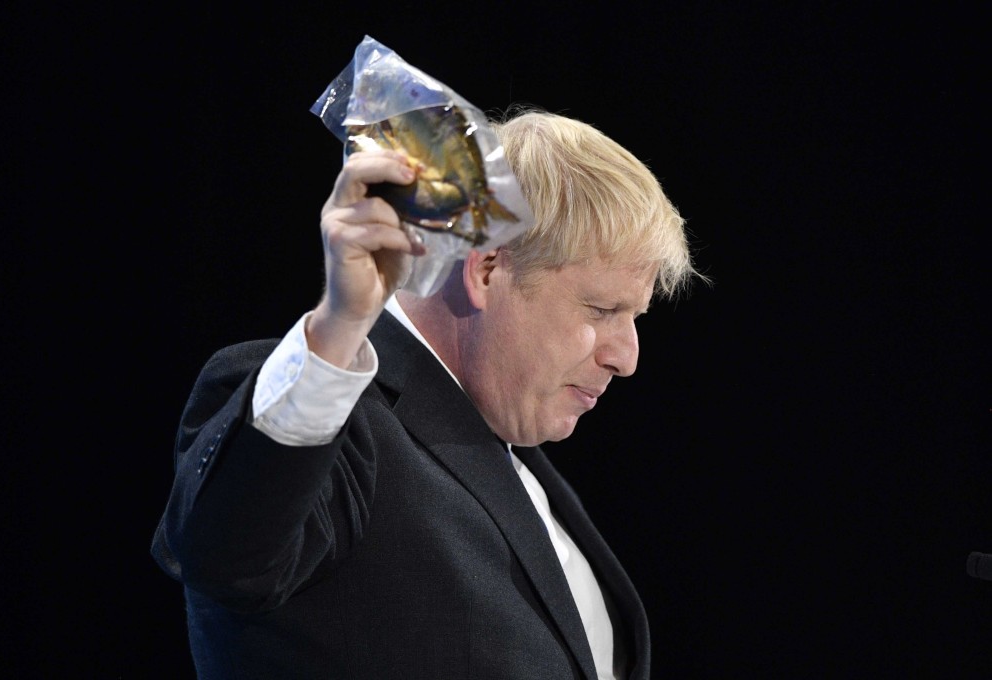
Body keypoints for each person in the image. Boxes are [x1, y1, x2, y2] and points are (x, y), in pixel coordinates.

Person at [151, 109, 699, 679]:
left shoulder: (523, 464)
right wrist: (339, 326)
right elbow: (227, 557)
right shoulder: (341, 424)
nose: (627, 357)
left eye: (634, 317)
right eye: (602, 309)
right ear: (487, 269)